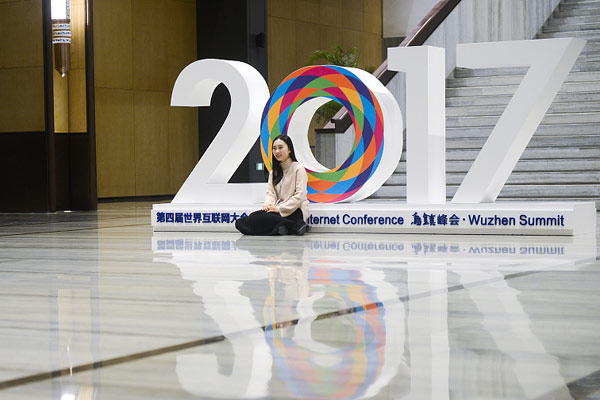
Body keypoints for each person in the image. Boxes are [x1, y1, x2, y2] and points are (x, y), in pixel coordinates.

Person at [235, 134, 309, 236]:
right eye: (274, 148)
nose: (277, 151)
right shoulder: (273, 172)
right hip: (276, 210)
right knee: (241, 222)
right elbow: (271, 193)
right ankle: (291, 226)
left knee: (259, 219)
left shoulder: (298, 169)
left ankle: (288, 225)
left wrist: (279, 209)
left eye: (280, 147)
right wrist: (268, 205)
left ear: (289, 150)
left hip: (295, 210)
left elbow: (300, 195)